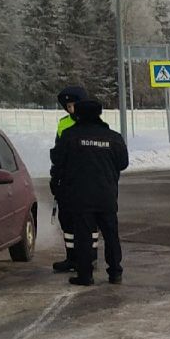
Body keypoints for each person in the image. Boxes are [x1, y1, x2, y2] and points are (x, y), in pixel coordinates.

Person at [49, 99, 129, 286]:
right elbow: (123, 163)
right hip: (106, 195)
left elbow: (57, 160)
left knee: (83, 236)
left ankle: (85, 275)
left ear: (78, 114)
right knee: (111, 235)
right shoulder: (114, 137)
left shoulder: (70, 136)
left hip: (80, 195)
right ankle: (115, 272)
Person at [50, 87, 90, 274]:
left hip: (86, 179)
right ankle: (72, 257)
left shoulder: (92, 123)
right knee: (66, 219)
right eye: (67, 106)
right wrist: (55, 177)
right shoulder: (63, 124)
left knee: (88, 221)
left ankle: (90, 257)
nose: (70, 109)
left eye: (73, 105)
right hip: (67, 180)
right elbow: (58, 153)